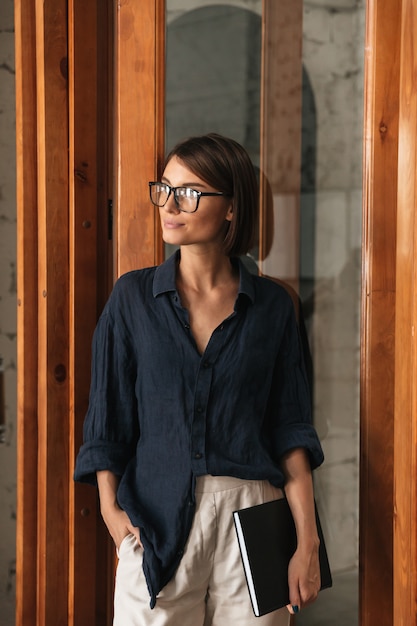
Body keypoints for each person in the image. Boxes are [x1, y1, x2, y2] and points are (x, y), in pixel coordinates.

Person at [74, 133, 324, 626]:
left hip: (254, 514)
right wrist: (111, 513)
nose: (170, 204)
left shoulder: (274, 307)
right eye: (164, 188)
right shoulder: (132, 299)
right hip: (156, 516)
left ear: (231, 208)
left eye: (190, 193)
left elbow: (290, 430)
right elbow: (107, 422)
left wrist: (307, 542)